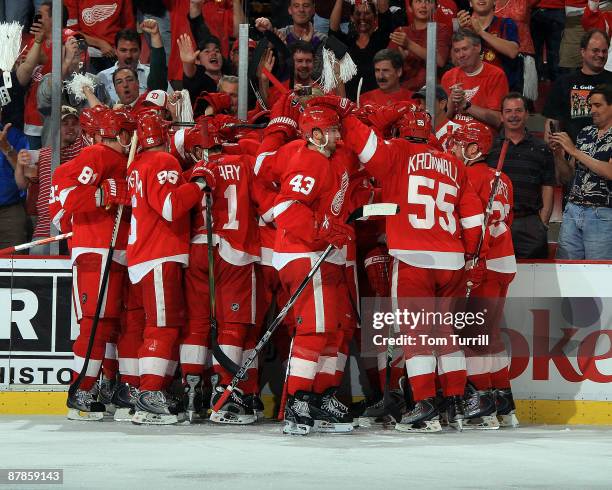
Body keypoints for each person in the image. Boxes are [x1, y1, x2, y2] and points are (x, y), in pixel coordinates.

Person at [334, 98, 486, 432]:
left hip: (414, 259)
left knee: (416, 336)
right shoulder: (454, 163)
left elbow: (363, 142)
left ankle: (424, 406)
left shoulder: (397, 151)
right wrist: (474, 257)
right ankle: (456, 405)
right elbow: (475, 220)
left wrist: (347, 114)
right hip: (454, 259)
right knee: (445, 333)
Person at [272, 103, 358, 435]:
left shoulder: (329, 160)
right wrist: (321, 231)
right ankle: (298, 400)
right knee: (316, 331)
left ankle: (321, 397)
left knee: (334, 331)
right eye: (332, 130)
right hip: (304, 252)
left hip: (324, 253)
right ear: (317, 134)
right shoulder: (308, 160)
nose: (338, 135)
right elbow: (287, 207)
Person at [126, 111, 210, 425]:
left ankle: (149, 390)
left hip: (144, 255)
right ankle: (149, 394)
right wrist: (199, 183)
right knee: (163, 327)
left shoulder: (136, 167)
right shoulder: (163, 163)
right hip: (160, 254)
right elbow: (171, 207)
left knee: (160, 325)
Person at [51, 108, 135, 421]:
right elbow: (71, 199)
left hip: (121, 250)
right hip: (94, 249)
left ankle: (109, 386)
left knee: (112, 322)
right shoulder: (96, 155)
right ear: (123, 133)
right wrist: (103, 193)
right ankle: (81, 388)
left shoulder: (128, 162)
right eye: (129, 131)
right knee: (94, 321)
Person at [451, 120, 518, 429]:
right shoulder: (502, 177)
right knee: (489, 334)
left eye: (459, 143)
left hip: (487, 262)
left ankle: (482, 402)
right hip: (505, 261)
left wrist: (472, 261)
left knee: (473, 335)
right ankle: (503, 400)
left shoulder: (469, 175)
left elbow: (474, 226)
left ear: (474, 148)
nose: (453, 148)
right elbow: (509, 217)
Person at [487, 93, 555, 259]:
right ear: (502, 116)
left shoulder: (541, 148)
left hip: (529, 224)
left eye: (518, 110)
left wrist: (543, 222)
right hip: (495, 222)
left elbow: (548, 185)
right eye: (508, 111)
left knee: (535, 280)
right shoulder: (489, 147)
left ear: (527, 114)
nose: (513, 115)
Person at [551, 84, 612, 260]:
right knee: (566, 271)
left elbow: (609, 171)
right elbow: (568, 176)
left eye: (598, 105)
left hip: (603, 213)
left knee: (598, 275)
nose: (592, 110)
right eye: (591, 105)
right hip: (572, 209)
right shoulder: (585, 133)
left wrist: (575, 152)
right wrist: (558, 155)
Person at [14, 106, 84, 255]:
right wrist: (20, 164)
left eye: (74, 123)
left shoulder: (82, 151)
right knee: (38, 270)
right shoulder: (43, 154)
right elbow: (22, 184)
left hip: (76, 228)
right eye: (65, 123)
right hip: (45, 228)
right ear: (56, 127)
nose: (70, 128)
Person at [543, 29, 612, 145]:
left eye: (604, 51)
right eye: (595, 51)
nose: (601, 55)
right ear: (583, 52)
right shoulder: (564, 82)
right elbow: (552, 121)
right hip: (572, 153)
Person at [441, 29, 509, 131]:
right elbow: (440, 123)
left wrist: (466, 105)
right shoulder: (448, 76)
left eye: (464, 49)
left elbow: (498, 120)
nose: (461, 55)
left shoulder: (496, 75)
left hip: (484, 138)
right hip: (453, 139)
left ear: (477, 47)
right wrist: (450, 105)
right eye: (457, 51)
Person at [328, 0, 393, 101]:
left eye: (367, 13)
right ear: (352, 17)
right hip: (351, 105)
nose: (362, 17)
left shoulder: (381, 39)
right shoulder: (347, 42)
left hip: (376, 104)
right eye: (358, 14)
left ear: (375, 17)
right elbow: (333, 31)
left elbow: (385, 13)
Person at [97, 24, 169, 106]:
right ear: (115, 51)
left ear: (140, 51)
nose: (129, 56)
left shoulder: (152, 73)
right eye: (123, 50)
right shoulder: (101, 77)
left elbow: (168, 100)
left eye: (134, 50)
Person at [388, 0, 452, 91]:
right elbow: (388, 64)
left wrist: (409, 44)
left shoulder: (441, 29)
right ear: (410, 8)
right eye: (418, 1)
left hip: (431, 93)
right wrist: (399, 59)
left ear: (435, 7)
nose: (423, 5)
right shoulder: (401, 31)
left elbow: (439, 60)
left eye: (428, 1)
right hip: (405, 92)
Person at [457, 0, 520, 90]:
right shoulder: (464, 28)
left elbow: (513, 51)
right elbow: (456, 62)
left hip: (502, 88)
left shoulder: (506, 24)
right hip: (472, 88)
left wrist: (481, 32)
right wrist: (460, 32)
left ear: (494, 2)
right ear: (470, 3)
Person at [65, 0, 136, 73]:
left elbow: (129, 28)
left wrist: (121, 50)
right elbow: (71, 31)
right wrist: (99, 43)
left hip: (115, 54)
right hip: (88, 55)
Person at [0, 118, 29, 251]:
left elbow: (26, 176)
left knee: (13, 264)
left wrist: (7, 148)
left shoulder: (14, 135)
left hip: (10, 212)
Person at [411, 84, 460, 150]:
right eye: (420, 102)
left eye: (426, 103)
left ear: (442, 104)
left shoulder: (456, 131)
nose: (420, 107)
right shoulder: (416, 130)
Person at [179, 35, 226, 103]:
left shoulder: (231, 77)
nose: (213, 53)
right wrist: (187, 63)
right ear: (197, 61)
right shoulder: (198, 80)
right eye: (207, 51)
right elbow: (190, 74)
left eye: (217, 51)